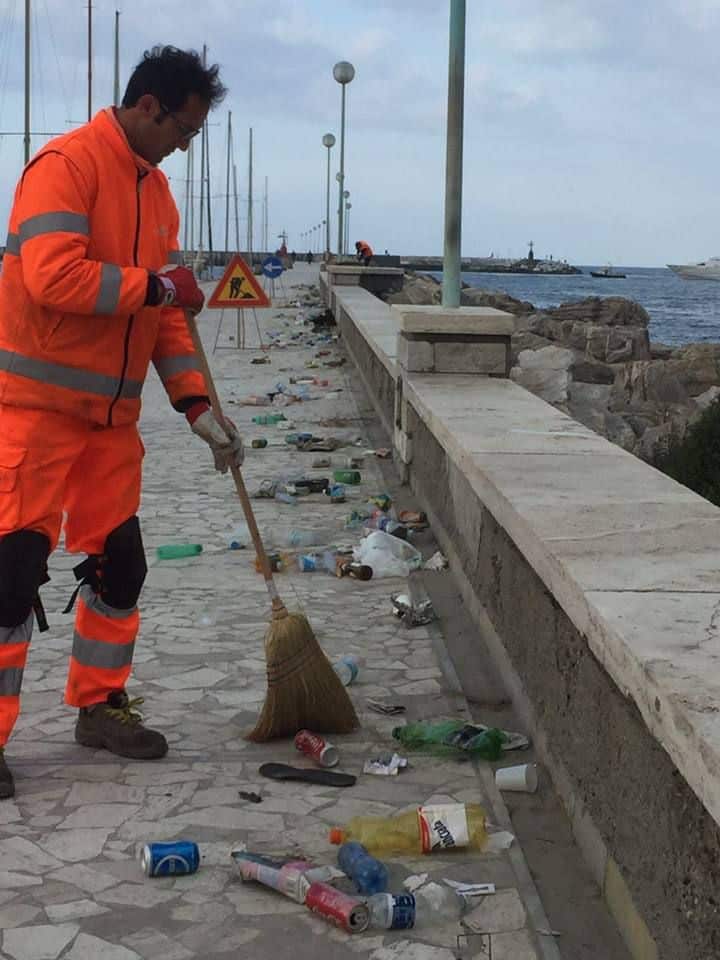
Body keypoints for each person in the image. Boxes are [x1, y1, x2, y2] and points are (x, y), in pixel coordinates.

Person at [0, 45, 244, 799]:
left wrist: (196, 404)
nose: (186, 143)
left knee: (122, 567)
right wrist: (157, 287)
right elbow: (52, 276)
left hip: (111, 424)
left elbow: (167, 323)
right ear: (149, 107)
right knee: (9, 581)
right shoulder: (65, 167)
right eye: (184, 129)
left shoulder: (158, 195)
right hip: (33, 416)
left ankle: (98, 707)